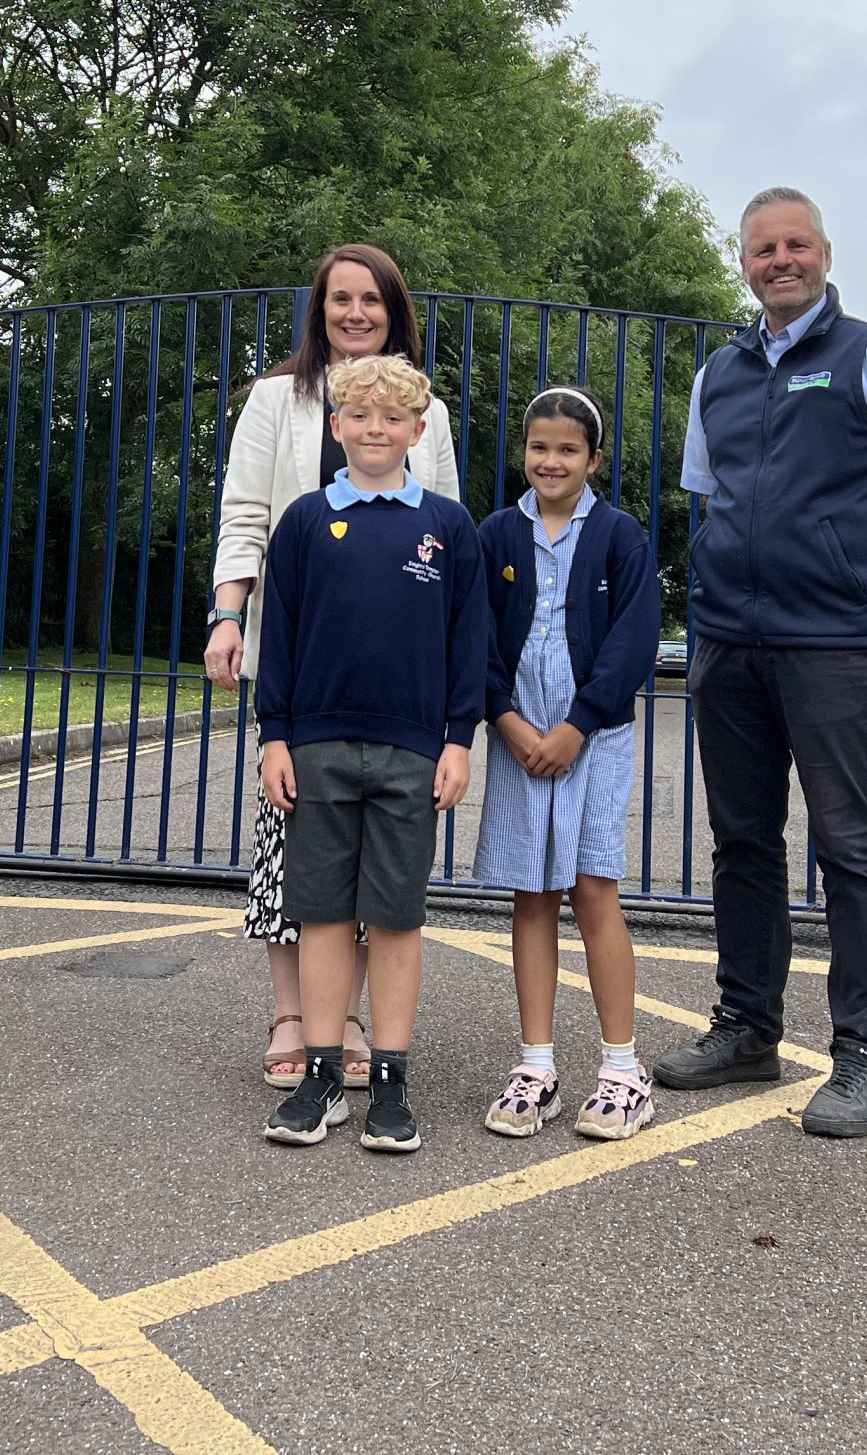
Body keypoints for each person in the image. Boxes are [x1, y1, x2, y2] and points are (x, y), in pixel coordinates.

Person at [654, 187, 867, 1140]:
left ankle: (864, 1054)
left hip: (834, 644)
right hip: (730, 644)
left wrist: (865, 593)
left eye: (795, 245)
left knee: (851, 848)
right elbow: (711, 499)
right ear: (743, 262)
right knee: (742, 843)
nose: (779, 260)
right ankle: (747, 1027)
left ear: (824, 252)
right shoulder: (722, 372)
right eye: (762, 249)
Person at [205, 246, 461, 1093]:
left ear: (395, 313)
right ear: (319, 311)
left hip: (396, 681)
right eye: (340, 300)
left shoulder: (429, 413)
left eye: (372, 301)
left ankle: (350, 1019)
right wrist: (229, 615)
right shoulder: (278, 399)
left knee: (375, 852)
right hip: (301, 659)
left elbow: (449, 530)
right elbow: (244, 512)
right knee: (296, 837)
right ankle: (295, 1014)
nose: (356, 313)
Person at [255, 353, 488, 1151]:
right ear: (336, 427)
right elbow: (278, 635)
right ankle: (323, 1077)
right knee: (321, 914)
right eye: (360, 417)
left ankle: (389, 1077)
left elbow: (470, 643)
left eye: (393, 419)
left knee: (394, 919)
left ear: (418, 432)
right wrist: (274, 736)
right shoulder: (307, 522)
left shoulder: (447, 527)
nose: (376, 429)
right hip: (315, 744)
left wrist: (458, 740)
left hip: (412, 751)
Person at [473, 385, 662, 1141]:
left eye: (568, 449)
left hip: (594, 737)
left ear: (594, 457)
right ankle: (537, 1065)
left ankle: (622, 1070)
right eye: (539, 447)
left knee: (591, 888)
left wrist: (577, 725)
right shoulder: (494, 535)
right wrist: (509, 721)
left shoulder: (621, 536)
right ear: (524, 453)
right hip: (519, 736)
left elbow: (633, 640)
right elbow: (474, 637)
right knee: (532, 892)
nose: (551, 461)